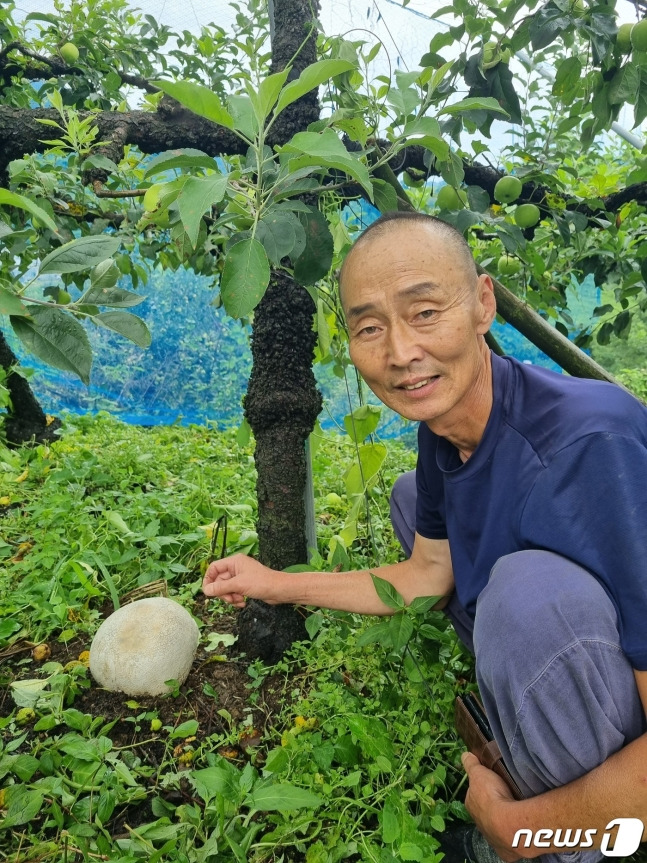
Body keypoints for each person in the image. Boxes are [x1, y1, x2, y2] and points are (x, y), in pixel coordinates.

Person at [203, 211, 647, 863]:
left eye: (424, 311)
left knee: (525, 595)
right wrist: (272, 583)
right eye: (368, 327)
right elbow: (425, 576)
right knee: (414, 499)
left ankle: (584, 848)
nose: (399, 353)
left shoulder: (590, 448)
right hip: (580, 685)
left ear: (482, 304)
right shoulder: (443, 425)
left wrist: (518, 829)